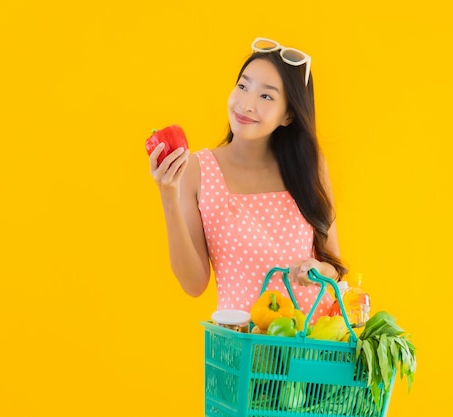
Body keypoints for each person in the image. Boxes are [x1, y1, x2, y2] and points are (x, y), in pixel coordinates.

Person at [148, 37, 348, 322]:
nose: (246, 104)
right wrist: (168, 196)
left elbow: (334, 267)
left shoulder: (310, 166)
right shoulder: (198, 169)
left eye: (266, 96)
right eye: (243, 86)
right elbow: (194, 284)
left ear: (289, 115)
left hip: (314, 347)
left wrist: (314, 270)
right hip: (244, 350)